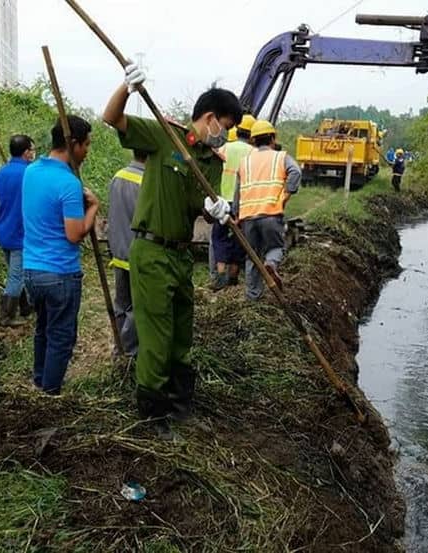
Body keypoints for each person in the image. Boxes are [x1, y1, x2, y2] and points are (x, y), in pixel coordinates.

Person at [102, 61, 242, 436]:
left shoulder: (212, 161)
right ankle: (153, 415)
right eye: (225, 128)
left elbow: (204, 205)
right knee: (157, 334)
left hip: (181, 256)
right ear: (210, 118)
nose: (225, 136)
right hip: (150, 252)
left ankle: (181, 404)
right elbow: (111, 117)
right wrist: (126, 88)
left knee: (182, 332)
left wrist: (217, 210)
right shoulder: (165, 136)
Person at [22, 116, 99, 395]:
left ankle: (41, 380)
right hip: (60, 274)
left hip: (31, 271)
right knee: (61, 335)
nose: (87, 151)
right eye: (86, 144)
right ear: (73, 143)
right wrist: (93, 207)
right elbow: (74, 234)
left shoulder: (31, 171)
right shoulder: (68, 183)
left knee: (43, 328)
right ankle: (51, 391)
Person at [233, 120, 302, 301]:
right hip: (271, 212)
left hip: (248, 216)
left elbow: (237, 190)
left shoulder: (245, 162)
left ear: (253, 141)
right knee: (276, 247)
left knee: (252, 256)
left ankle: (253, 296)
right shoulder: (281, 157)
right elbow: (296, 172)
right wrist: (287, 193)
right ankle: (271, 264)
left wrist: (236, 214)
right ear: (272, 138)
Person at [107, 149, 147, 357]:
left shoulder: (118, 176)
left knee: (121, 304)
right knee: (135, 308)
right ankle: (130, 352)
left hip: (119, 251)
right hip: (137, 254)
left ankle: (118, 348)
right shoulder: (145, 182)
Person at [0, 134, 35, 327]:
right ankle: (7, 316)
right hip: (20, 232)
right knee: (17, 275)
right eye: (32, 150)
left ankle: (25, 307)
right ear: (26, 152)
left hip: (4, 229)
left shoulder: (0, 174)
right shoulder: (30, 174)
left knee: (16, 271)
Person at [210, 113, 256, 290]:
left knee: (219, 237)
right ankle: (233, 279)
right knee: (239, 240)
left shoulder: (225, 149)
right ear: (251, 135)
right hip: (242, 203)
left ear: (236, 131)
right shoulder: (253, 153)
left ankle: (220, 275)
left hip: (221, 200)